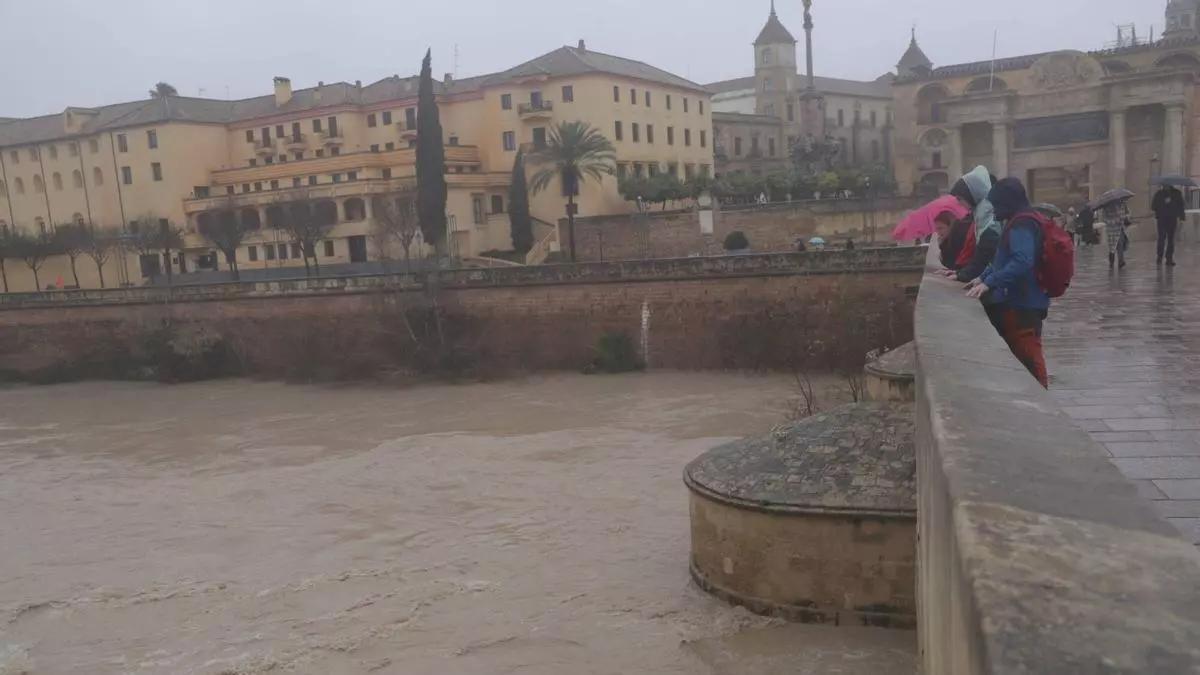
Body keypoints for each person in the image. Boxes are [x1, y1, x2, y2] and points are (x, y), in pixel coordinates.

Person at [966, 178, 1050, 388]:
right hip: (1020, 301)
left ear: (1008, 202)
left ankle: (1043, 402)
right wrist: (982, 277)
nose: (994, 211)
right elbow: (1001, 258)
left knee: (1029, 357)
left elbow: (1022, 260)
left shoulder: (1022, 224)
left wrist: (990, 282)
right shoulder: (1018, 220)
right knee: (1022, 356)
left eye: (997, 206)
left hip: (1024, 303)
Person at [941, 166, 1000, 282]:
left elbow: (984, 258)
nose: (958, 203)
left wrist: (961, 275)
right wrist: (960, 272)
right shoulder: (981, 215)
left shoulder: (988, 219)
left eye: (960, 199)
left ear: (971, 196)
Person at [1151, 184, 1185, 266]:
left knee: (1171, 239)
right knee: (1161, 238)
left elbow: (1181, 205)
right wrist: (1163, 202)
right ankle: (1159, 256)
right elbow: (1153, 206)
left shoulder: (1177, 193)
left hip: (1172, 218)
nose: (1164, 186)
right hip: (1162, 219)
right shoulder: (1159, 194)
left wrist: (1182, 217)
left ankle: (1169, 258)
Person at [1099, 201, 1132, 269]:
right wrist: (1113, 221)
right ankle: (1111, 261)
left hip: (1120, 228)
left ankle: (1121, 261)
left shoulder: (1123, 204)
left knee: (1120, 243)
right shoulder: (1107, 207)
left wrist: (1125, 217)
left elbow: (1128, 213)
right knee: (1112, 247)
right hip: (1111, 230)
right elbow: (1104, 218)